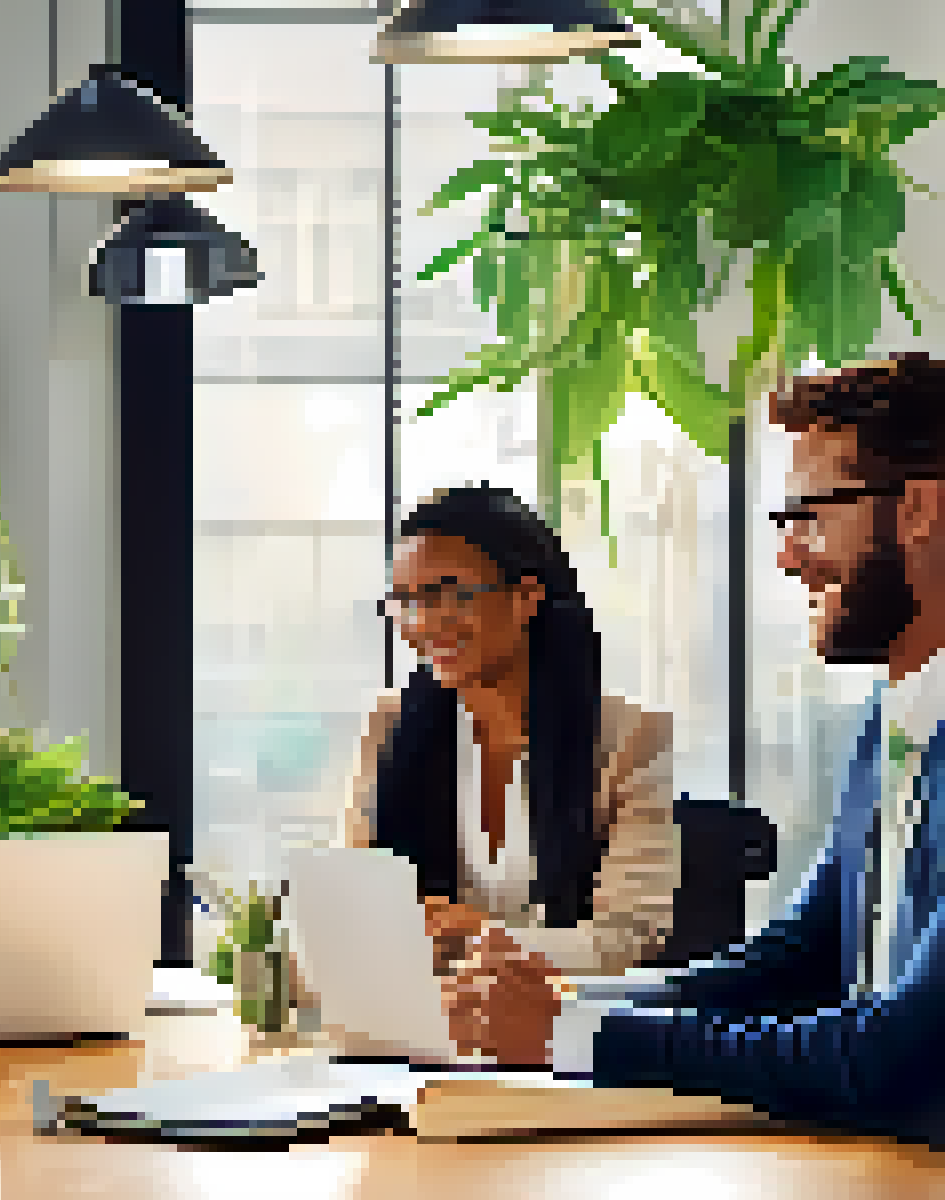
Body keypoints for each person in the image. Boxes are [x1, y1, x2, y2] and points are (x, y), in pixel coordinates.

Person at [460, 353, 945, 1144]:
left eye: (809, 516)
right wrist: (569, 1006)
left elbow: (895, 1059)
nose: (788, 556)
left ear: (919, 509)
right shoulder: (894, 723)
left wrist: (575, 1037)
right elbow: (794, 964)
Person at [342, 484, 680, 1060]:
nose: (423, 622)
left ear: (526, 597)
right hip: (421, 1044)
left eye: (449, 594)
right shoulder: (390, 726)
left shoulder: (629, 738)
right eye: (404, 599)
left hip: (563, 1043)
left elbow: (626, 941)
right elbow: (353, 916)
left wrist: (474, 932)